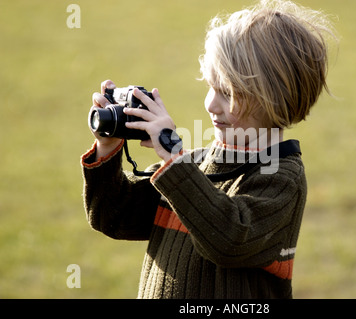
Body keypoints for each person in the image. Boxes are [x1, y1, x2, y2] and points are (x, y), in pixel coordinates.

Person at [81, 0, 335, 299]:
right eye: (211, 87)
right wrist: (107, 148)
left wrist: (174, 158)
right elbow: (113, 217)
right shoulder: (196, 165)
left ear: (275, 99)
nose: (212, 105)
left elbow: (229, 240)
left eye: (227, 93)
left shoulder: (281, 177)